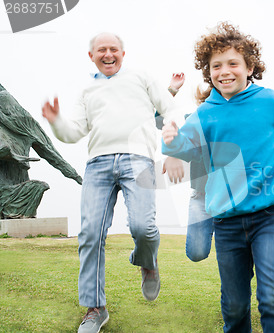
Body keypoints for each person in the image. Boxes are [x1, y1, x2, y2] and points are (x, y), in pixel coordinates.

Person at [162, 22, 274, 333]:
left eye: (233, 63)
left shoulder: (271, 102)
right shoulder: (206, 112)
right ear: (208, 72)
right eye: (216, 65)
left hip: (268, 217)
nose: (225, 71)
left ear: (249, 67)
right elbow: (191, 152)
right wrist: (172, 141)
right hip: (227, 222)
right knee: (234, 307)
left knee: (272, 296)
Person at [41, 32, 184, 333]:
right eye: (101, 50)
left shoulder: (141, 77)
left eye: (114, 49)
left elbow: (168, 107)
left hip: (139, 159)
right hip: (98, 165)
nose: (108, 54)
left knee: (143, 227)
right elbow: (73, 132)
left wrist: (172, 131)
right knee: (90, 233)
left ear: (123, 52)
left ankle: (147, 261)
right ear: (91, 55)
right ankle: (95, 308)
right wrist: (56, 121)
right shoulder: (87, 91)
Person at [163, 139, 213, 262]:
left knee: (234, 255)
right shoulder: (198, 120)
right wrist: (173, 153)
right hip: (202, 192)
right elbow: (187, 133)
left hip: (231, 195)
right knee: (196, 251)